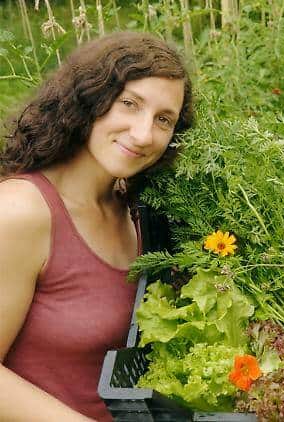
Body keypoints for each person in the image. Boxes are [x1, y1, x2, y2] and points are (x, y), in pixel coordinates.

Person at [0, 32, 194, 421]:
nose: (143, 135)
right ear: (89, 99)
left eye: (163, 119)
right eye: (129, 104)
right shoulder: (22, 211)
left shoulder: (136, 207)